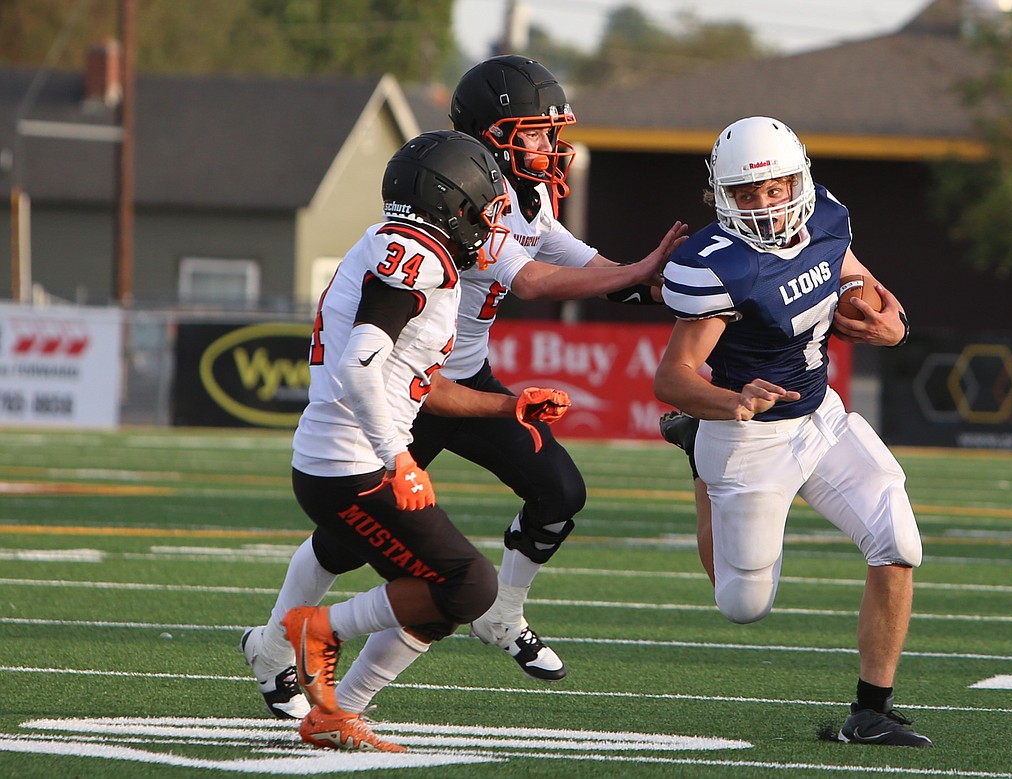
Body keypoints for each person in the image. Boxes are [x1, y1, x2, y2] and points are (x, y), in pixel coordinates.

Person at [240, 55, 686, 719]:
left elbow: (588, 264)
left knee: (557, 493)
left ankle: (496, 613)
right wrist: (640, 275)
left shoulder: (512, 195)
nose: (549, 146)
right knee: (358, 546)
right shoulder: (453, 199)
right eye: (535, 132)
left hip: (453, 381)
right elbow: (532, 280)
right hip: (400, 393)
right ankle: (280, 646)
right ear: (490, 134)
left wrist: (672, 285)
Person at [247, 129, 572, 751]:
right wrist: (399, 459)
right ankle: (313, 637)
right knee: (469, 587)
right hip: (351, 465)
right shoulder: (414, 257)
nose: (495, 219)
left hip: (344, 460)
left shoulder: (406, 248)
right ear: (452, 206)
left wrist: (510, 405)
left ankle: (325, 700)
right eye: (487, 206)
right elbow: (359, 367)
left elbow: (418, 383)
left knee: (444, 597)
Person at [652, 116, 931, 748]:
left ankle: (872, 710)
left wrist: (889, 321)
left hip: (820, 414)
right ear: (721, 196)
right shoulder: (717, 264)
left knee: (898, 542)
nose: (765, 205)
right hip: (748, 434)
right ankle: (697, 448)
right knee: (742, 603)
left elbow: (853, 272)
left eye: (775, 188)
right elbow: (673, 378)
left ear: (798, 181)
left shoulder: (828, 216)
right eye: (747, 194)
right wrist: (727, 401)